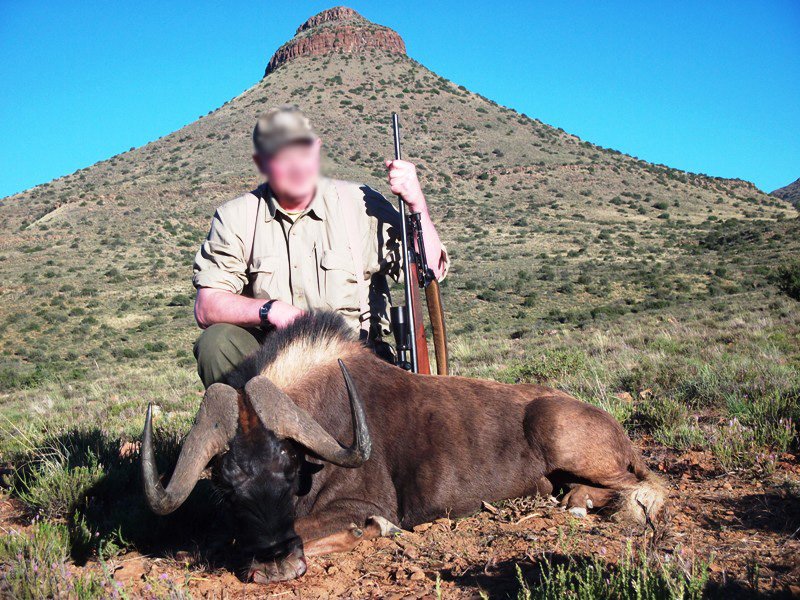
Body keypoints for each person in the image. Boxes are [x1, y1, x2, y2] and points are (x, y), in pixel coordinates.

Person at [191, 105, 449, 388]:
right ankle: (255, 429)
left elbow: (431, 268)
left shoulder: (360, 203)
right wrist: (272, 310)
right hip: (276, 367)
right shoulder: (236, 216)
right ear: (261, 162)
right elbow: (207, 306)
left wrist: (416, 203)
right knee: (217, 343)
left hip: (352, 363)